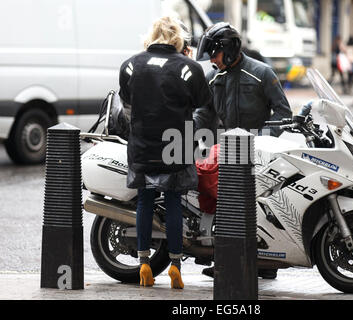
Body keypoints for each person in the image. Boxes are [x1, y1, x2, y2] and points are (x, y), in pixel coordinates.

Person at [193, 22, 293, 280]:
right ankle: (225, 258)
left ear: (228, 49)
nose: (212, 61)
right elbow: (204, 113)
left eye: (214, 54)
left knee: (262, 204)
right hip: (227, 150)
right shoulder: (213, 77)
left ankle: (266, 262)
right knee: (225, 202)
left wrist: (263, 139)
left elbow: (283, 113)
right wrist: (188, 133)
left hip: (260, 151)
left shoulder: (263, 73)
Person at [118, 17, 212, 289]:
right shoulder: (190, 68)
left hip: (142, 145)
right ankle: (175, 265)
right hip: (176, 146)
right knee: (173, 203)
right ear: (178, 39)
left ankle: (144, 263)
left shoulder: (131, 65)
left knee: (145, 202)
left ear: (151, 36)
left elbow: (127, 106)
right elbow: (203, 105)